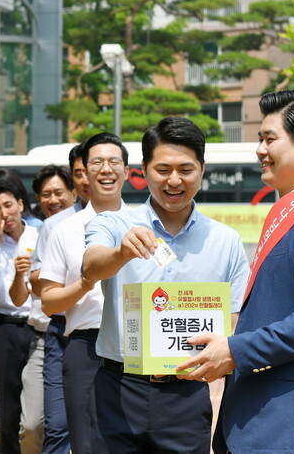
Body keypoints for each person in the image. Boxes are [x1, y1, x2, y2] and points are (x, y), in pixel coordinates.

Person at [175, 90, 294, 454]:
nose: (259, 149)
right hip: (262, 419)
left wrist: (235, 350)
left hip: (290, 421)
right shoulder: (291, 210)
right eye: (260, 139)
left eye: (269, 139)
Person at [82, 116, 249, 454]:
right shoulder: (114, 223)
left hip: (185, 394)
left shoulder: (226, 241)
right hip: (117, 389)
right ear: (144, 170)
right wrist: (122, 252)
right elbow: (91, 266)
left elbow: (234, 320)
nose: (174, 180)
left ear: (202, 169)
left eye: (186, 169)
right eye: (163, 169)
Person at [36, 132, 131, 454]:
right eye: (97, 163)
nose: (106, 169)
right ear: (84, 173)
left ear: (127, 171)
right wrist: (85, 284)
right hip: (85, 347)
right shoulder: (64, 230)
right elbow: (48, 303)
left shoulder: (149, 222)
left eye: (114, 161)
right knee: (87, 445)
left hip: (135, 345)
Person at [13, 164, 78, 454]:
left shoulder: (86, 228)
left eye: (59, 193)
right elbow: (34, 288)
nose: (52, 200)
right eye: (45, 195)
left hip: (86, 336)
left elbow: (41, 281)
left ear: (74, 192)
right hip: (45, 336)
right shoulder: (39, 232)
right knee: (33, 426)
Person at [0, 169, 40, 454]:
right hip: (5, 329)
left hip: (40, 327)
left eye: (8, 205)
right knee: (7, 407)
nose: (4, 214)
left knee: (38, 413)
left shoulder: (41, 235)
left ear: (21, 204)